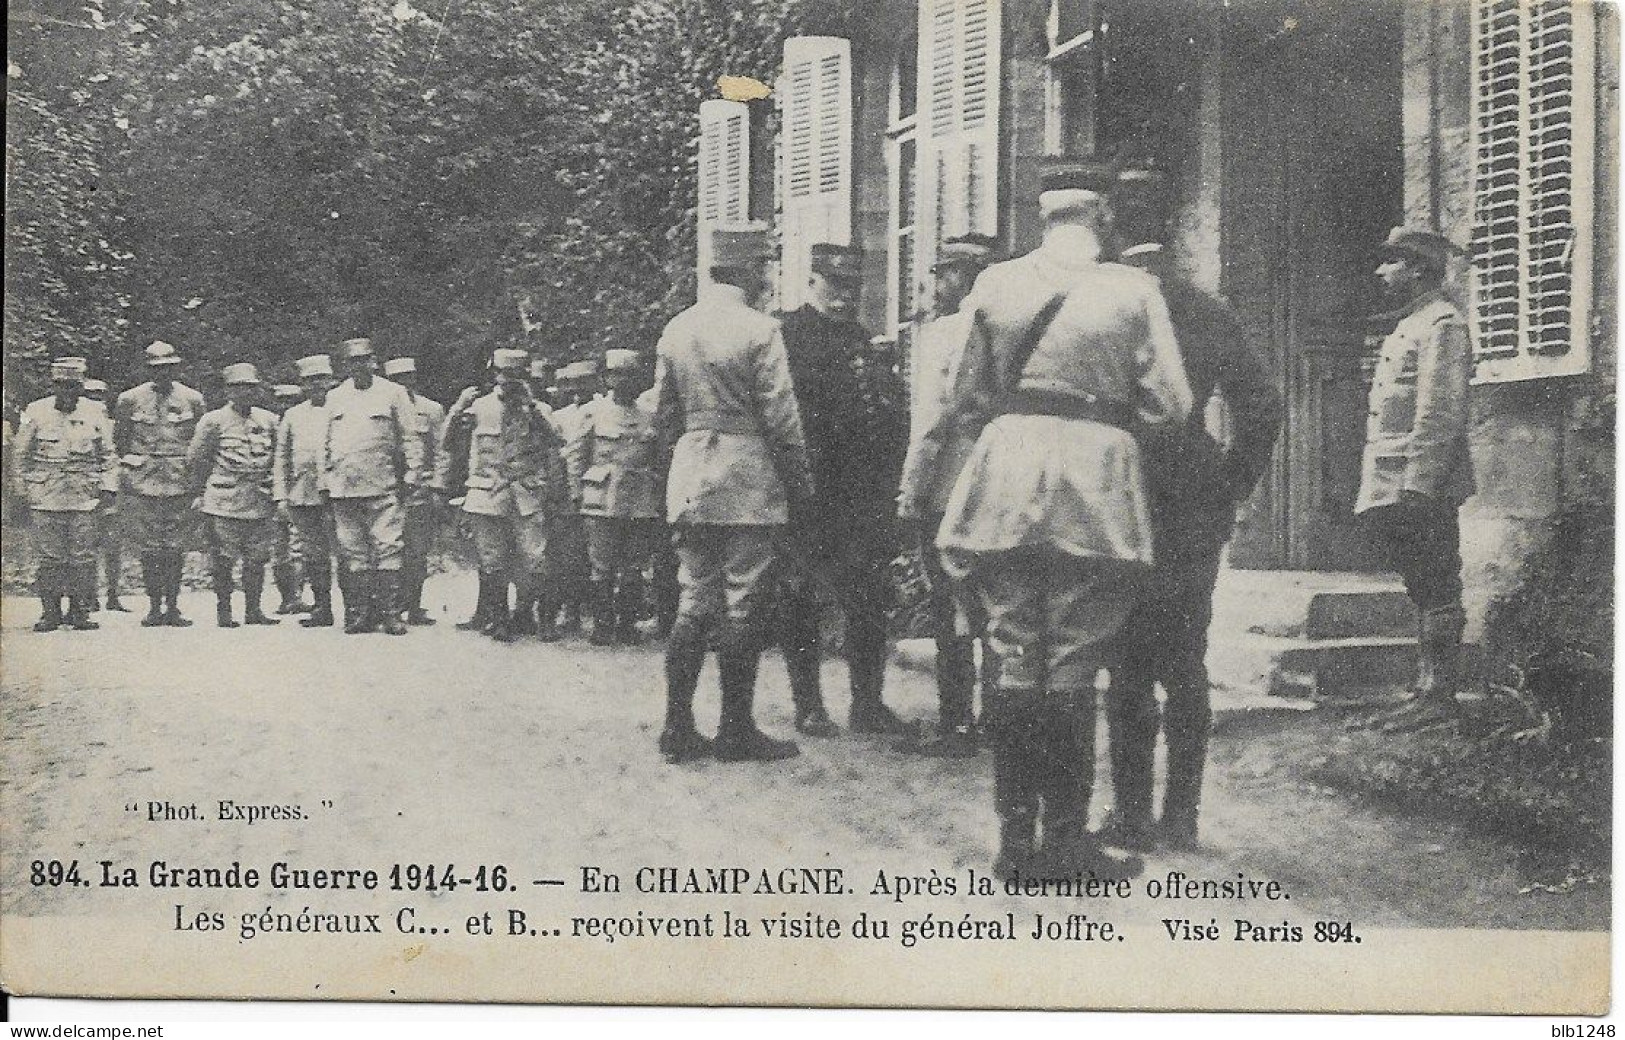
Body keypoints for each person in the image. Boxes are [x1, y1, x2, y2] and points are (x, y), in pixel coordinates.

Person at [927, 158, 1193, 882]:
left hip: (1006, 473)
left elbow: (964, 399)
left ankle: (1015, 843)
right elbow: (1172, 405)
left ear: (1043, 215)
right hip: (1093, 482)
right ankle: (1067, 841)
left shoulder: (995, 284)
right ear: (1103, 215)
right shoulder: (1131, 290)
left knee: (1015, 650)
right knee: (1074, 657)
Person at [1097, 217, 1283, 851]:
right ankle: (1181, 819)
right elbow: (1261, 404)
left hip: (1120, 493)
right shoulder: (1206, 308)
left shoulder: (1106, 305)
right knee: (1184, 662)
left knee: (1127, 664)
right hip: (1192, 498)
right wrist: (1228, 483)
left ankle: (1130, 815)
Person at [653, 222, 814, 764]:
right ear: (753, 270)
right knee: (743, 598)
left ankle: (677, 727)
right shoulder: (759, 329)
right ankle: (735, 730)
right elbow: (781, 417)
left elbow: (663, 416)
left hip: (691, 472)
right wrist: (798, 483)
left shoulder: (677, 328)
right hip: (746, 475)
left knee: (694, 595)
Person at [774, 242, 911, 737]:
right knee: (802, 595)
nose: (843, 297)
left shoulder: (859, 339)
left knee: (867, 595)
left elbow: (880, 414)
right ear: (812, 281)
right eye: (834, 287)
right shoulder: (787, 334)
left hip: (860, 490)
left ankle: (867, 703)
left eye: (851, 289)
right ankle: (808, 704)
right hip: (811, 488)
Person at [1354, 226, 1474, 729]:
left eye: (1392, 263)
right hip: (1395, 478)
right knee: (1421, 583)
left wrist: (1419, 484)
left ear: (1418, 269)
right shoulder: (1412, 324)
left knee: (1437, 583)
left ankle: (1440, 698)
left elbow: (1439, 413)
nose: (1382, 272)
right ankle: (1426, 690)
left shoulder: (1442, 324)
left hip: (1420, 482)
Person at [895, 233, 999, 757]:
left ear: (964, 277)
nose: (935, 285)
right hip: (1003, 488)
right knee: (997, 608)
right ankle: (999, 721)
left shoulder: (944, 335)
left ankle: (956, 723)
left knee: (950, 607)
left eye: (943, 274)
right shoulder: (1012, 327)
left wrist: (911, 491)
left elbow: (931, 424)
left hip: (951, 490)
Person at [433, 348, 572, 643]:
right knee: (491, 559)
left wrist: (532, 407)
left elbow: (555, 443)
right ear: (494, 374)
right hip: (488, 492)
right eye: (503, 375)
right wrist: (457, 409)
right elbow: (448, 443)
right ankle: (498, 620)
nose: (509, 382)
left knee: (536, 558)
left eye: (516, 376)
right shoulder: (478, 407)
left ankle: (538, 617)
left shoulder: (539, 410)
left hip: (526, 492)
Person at [321, 337, 424, 635]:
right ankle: (360, 614)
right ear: (346, 365)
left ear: (373, 361)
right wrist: (324, 481)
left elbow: (410, 437)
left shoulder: (393, 393)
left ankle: (391, 613)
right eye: (353, 361)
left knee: (388, 546)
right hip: (344, 486)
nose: (359, 366)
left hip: (383, 484)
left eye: (364, 359)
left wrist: (412, 475)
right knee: (353, 550)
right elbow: (325, 443)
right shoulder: (336, 396)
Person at [14, 358, 119, 631]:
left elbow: (108, 455)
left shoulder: (96, 412)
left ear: (81, 387)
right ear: (54, 385)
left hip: (85, 496)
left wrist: (108, 488)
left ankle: (79, 612)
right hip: (45, 495)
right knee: (50, 558)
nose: (68, 392)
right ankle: (50, 613)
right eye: (62, 386)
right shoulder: (36, 411)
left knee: (82, 557)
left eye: (73, 386)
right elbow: (20, 456)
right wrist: (22, 492)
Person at [567, 348, 663, 645]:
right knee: (602, 564)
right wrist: (575, 492)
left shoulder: (649, 416)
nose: (623, 381)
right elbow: (576, 456)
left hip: (639, 499)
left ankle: (628, 623)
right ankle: (602, 623)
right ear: (607, 378)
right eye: (617, 374)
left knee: (634, 565)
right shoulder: (592, 413)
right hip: (601, 498)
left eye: (630, 375)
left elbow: (657, 459)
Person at [115, 341, 207, 627]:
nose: (162, 374)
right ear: (147, 369)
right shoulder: (129, 399)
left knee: (175, 547)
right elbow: (120, 441)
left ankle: (173, 606)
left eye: (168, 368)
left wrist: (197, 481)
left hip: (180, 481)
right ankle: (154, 607)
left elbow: (201, 442)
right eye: (156, 369)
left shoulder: (193, 399)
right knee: (150, 547)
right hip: (144, 483)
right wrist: (133, 469)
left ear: (176, 367)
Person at [187, 363, 282, 628]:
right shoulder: (213, 420)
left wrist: (273, 487)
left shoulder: (269, 420)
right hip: (224, 499)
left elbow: (279, 457)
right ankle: (225, 611)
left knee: (257, 558)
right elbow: (197, 459)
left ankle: (254, 610)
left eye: (250, 388)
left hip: (259, 497)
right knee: (223, 559)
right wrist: (199, 492)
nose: (246, 393)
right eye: (239, 388)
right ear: (228, 391)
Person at [275, 355, 341, 628]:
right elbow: (282, 457)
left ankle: (359, 608)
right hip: (303, 493)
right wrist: (281, 495)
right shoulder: (293, 415)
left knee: (350, 551)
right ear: (303, 385)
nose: (317, 386)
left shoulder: (342, 407)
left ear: (330, 381)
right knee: (314, 553)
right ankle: (322, 608)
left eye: (321, 380)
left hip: (340, 491)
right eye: (310, 382)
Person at [382, 356, 446, 625]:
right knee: (387, 549)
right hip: (385, 489)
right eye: (396, 379)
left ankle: (414, 606)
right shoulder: (379, 406)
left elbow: (442, 451)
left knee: (417, 551)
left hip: (418, 490)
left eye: (407, 378)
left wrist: (437, 486)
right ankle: (390, 606)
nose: (403, 384)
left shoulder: (430, 410)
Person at [549, 359, 599, 635]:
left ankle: (595, 611)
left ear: (595, 382)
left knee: (593, 556)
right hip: (565, 494)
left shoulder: (601, 410)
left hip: (596, 491)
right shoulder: (561, 415)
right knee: (567, 555)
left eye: (584, 382)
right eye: (572, 383)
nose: (577, 388)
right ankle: (570, 611)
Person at [81, 378, 129, 613]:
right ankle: (89, 596)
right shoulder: (79, 424)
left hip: (113, 493)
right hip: (85, 492)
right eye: (91, 395)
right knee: (87, 545)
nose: (96, 400)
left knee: (113, 546)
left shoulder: (114, 425)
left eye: (100, 395)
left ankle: (113, 594)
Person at [267, 383, 312, 615]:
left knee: (298, 547)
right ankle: (286, 597)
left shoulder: (302, 424)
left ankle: (297, 595)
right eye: (282, 401)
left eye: (292, 400)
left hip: (299, 492)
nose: (287, 405)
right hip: (271, 493)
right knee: (279, 549)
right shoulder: (267, 425)